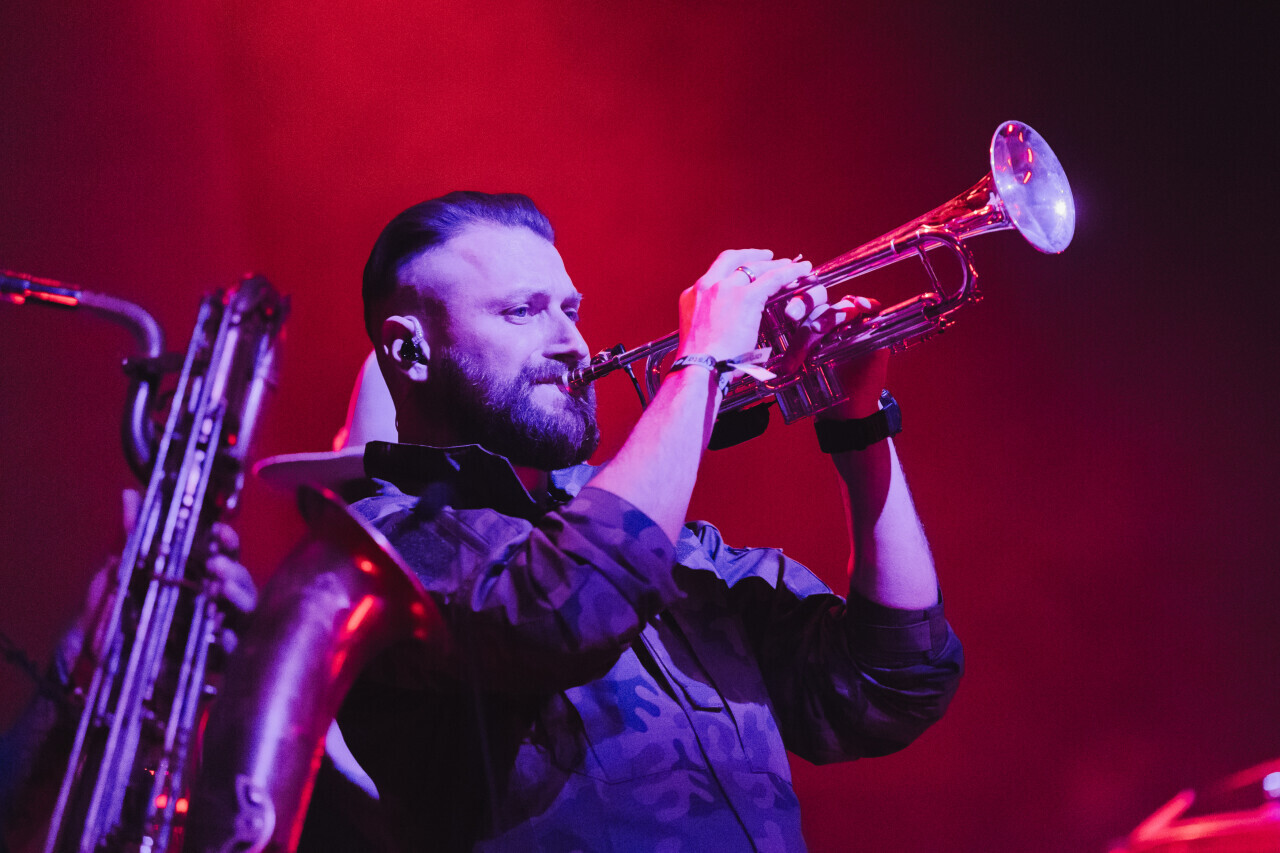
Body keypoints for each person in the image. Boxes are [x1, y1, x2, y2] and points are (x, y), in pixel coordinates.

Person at [339, 190, 963, 851]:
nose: (573, 345)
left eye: (571, 310)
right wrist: (701, 361)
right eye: (522, 311)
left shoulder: (678, 548)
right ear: (410, 351)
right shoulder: (376, 548)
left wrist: (859, 423)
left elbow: (894, 683)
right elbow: (572, 602)